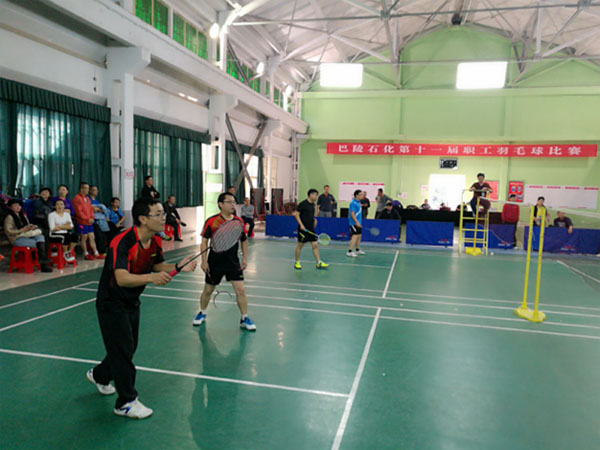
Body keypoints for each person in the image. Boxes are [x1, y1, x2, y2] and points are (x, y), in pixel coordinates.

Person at [87, 198, 197, 419]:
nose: (163, 217)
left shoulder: (154, 241)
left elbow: (155, 264)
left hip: (131, 301)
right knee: (123, 351)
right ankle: (126, 402)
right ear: (143, 219)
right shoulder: (122, 242)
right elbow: (121, 277)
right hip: (111, 302)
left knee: (127, 348)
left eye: (163, 213)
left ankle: (99, 375)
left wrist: (178, 266)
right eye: (158, 214)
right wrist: (151, 278)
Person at [193, 192, 257, 330]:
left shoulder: (238, 222)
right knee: (208, 290)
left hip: (233, 262)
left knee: (241, 290)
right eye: (229, 202)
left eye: (234, 202)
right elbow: (204, 241)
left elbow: (244, 241)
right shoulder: (212, 221)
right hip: (214, 262)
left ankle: (244, 318)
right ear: (220, 204)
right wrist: (203, 261)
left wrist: (245, 258)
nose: (233, 205)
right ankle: (202, 313)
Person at [3, 199, 52, 272]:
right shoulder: (9, 217)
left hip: (25, 235)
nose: (18, 207)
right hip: (16, 238)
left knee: (41, 237)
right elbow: (9, 231)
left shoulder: (22, 215)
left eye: (19, 205)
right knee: (38, 243)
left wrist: (31, 227)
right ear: (10, 207)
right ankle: (43, 264)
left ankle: (42, 261)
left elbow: (27, 225)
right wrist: (21, 230)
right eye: (15, 205)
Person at [293, 189, 329, 270]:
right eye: (316, 195)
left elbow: (310, 215)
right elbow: (296, 215)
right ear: (311, 195)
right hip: (303, 229)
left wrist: (314, 220)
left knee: (315, 245)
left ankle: (318, 262)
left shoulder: (313, 205)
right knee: (300, 246)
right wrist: (301, 225)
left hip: (310, 228)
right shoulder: (303, 204)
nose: (316, 197)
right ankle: (297, 262)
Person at [72, 182, 104, 260]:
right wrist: (87, 218)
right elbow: (79, 212)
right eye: (86, 188)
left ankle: (96, 253)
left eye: (88, 188)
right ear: (81, 189)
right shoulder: (77, 198)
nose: (88, 190)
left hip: (89, 222)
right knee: (84, 237)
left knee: (92, 237)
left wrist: (92, 218)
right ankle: (85, 253)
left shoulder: (87, 198)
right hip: (82, 222)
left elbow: (90, 209)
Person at [89, 185, 111, 253]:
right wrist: (95, 209)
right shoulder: (88, 199)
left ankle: (104, 249)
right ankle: (100, 251)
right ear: (90, 191)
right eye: (94, 190)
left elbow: (101, 209)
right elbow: (91, 209)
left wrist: (100, 210)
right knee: (99, 236)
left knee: (104, 236)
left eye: (96, 190)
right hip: (93, 221)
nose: (96, 191)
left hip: (101, 221)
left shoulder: (97, 201)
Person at [347, 190, 365, 257]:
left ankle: (357, 250)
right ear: (356, 195)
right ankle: (349, 251)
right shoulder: (353, 203)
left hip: (358, 222)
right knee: (354, 236)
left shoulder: (358, 202)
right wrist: (356, 222)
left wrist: (359, 222)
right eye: (360, 194)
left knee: (359, 236)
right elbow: (352, 213)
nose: (362, 195)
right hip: (353, 223)